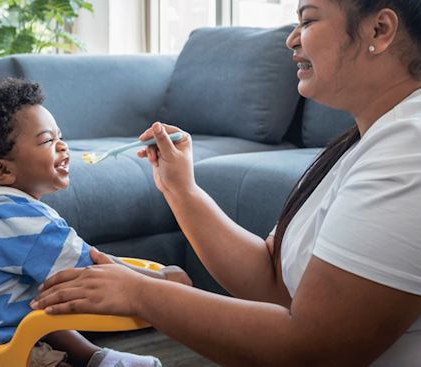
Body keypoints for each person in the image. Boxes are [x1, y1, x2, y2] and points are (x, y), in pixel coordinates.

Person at [31, 0, 421, 365]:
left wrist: (142, 295)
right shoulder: (365, 143)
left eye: (308, 19)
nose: (292, 37)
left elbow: (313, 348)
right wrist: (181, 190)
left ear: (379, 29)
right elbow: (272, 280)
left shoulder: (409, 149)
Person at [0, 78, 191, 367]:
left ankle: (97, 358)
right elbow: (94, 271)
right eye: (47, 141)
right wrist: (164, 282)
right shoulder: (19, 220)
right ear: (2, 170)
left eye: (60, 136)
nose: (63, 146)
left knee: (48, 295)